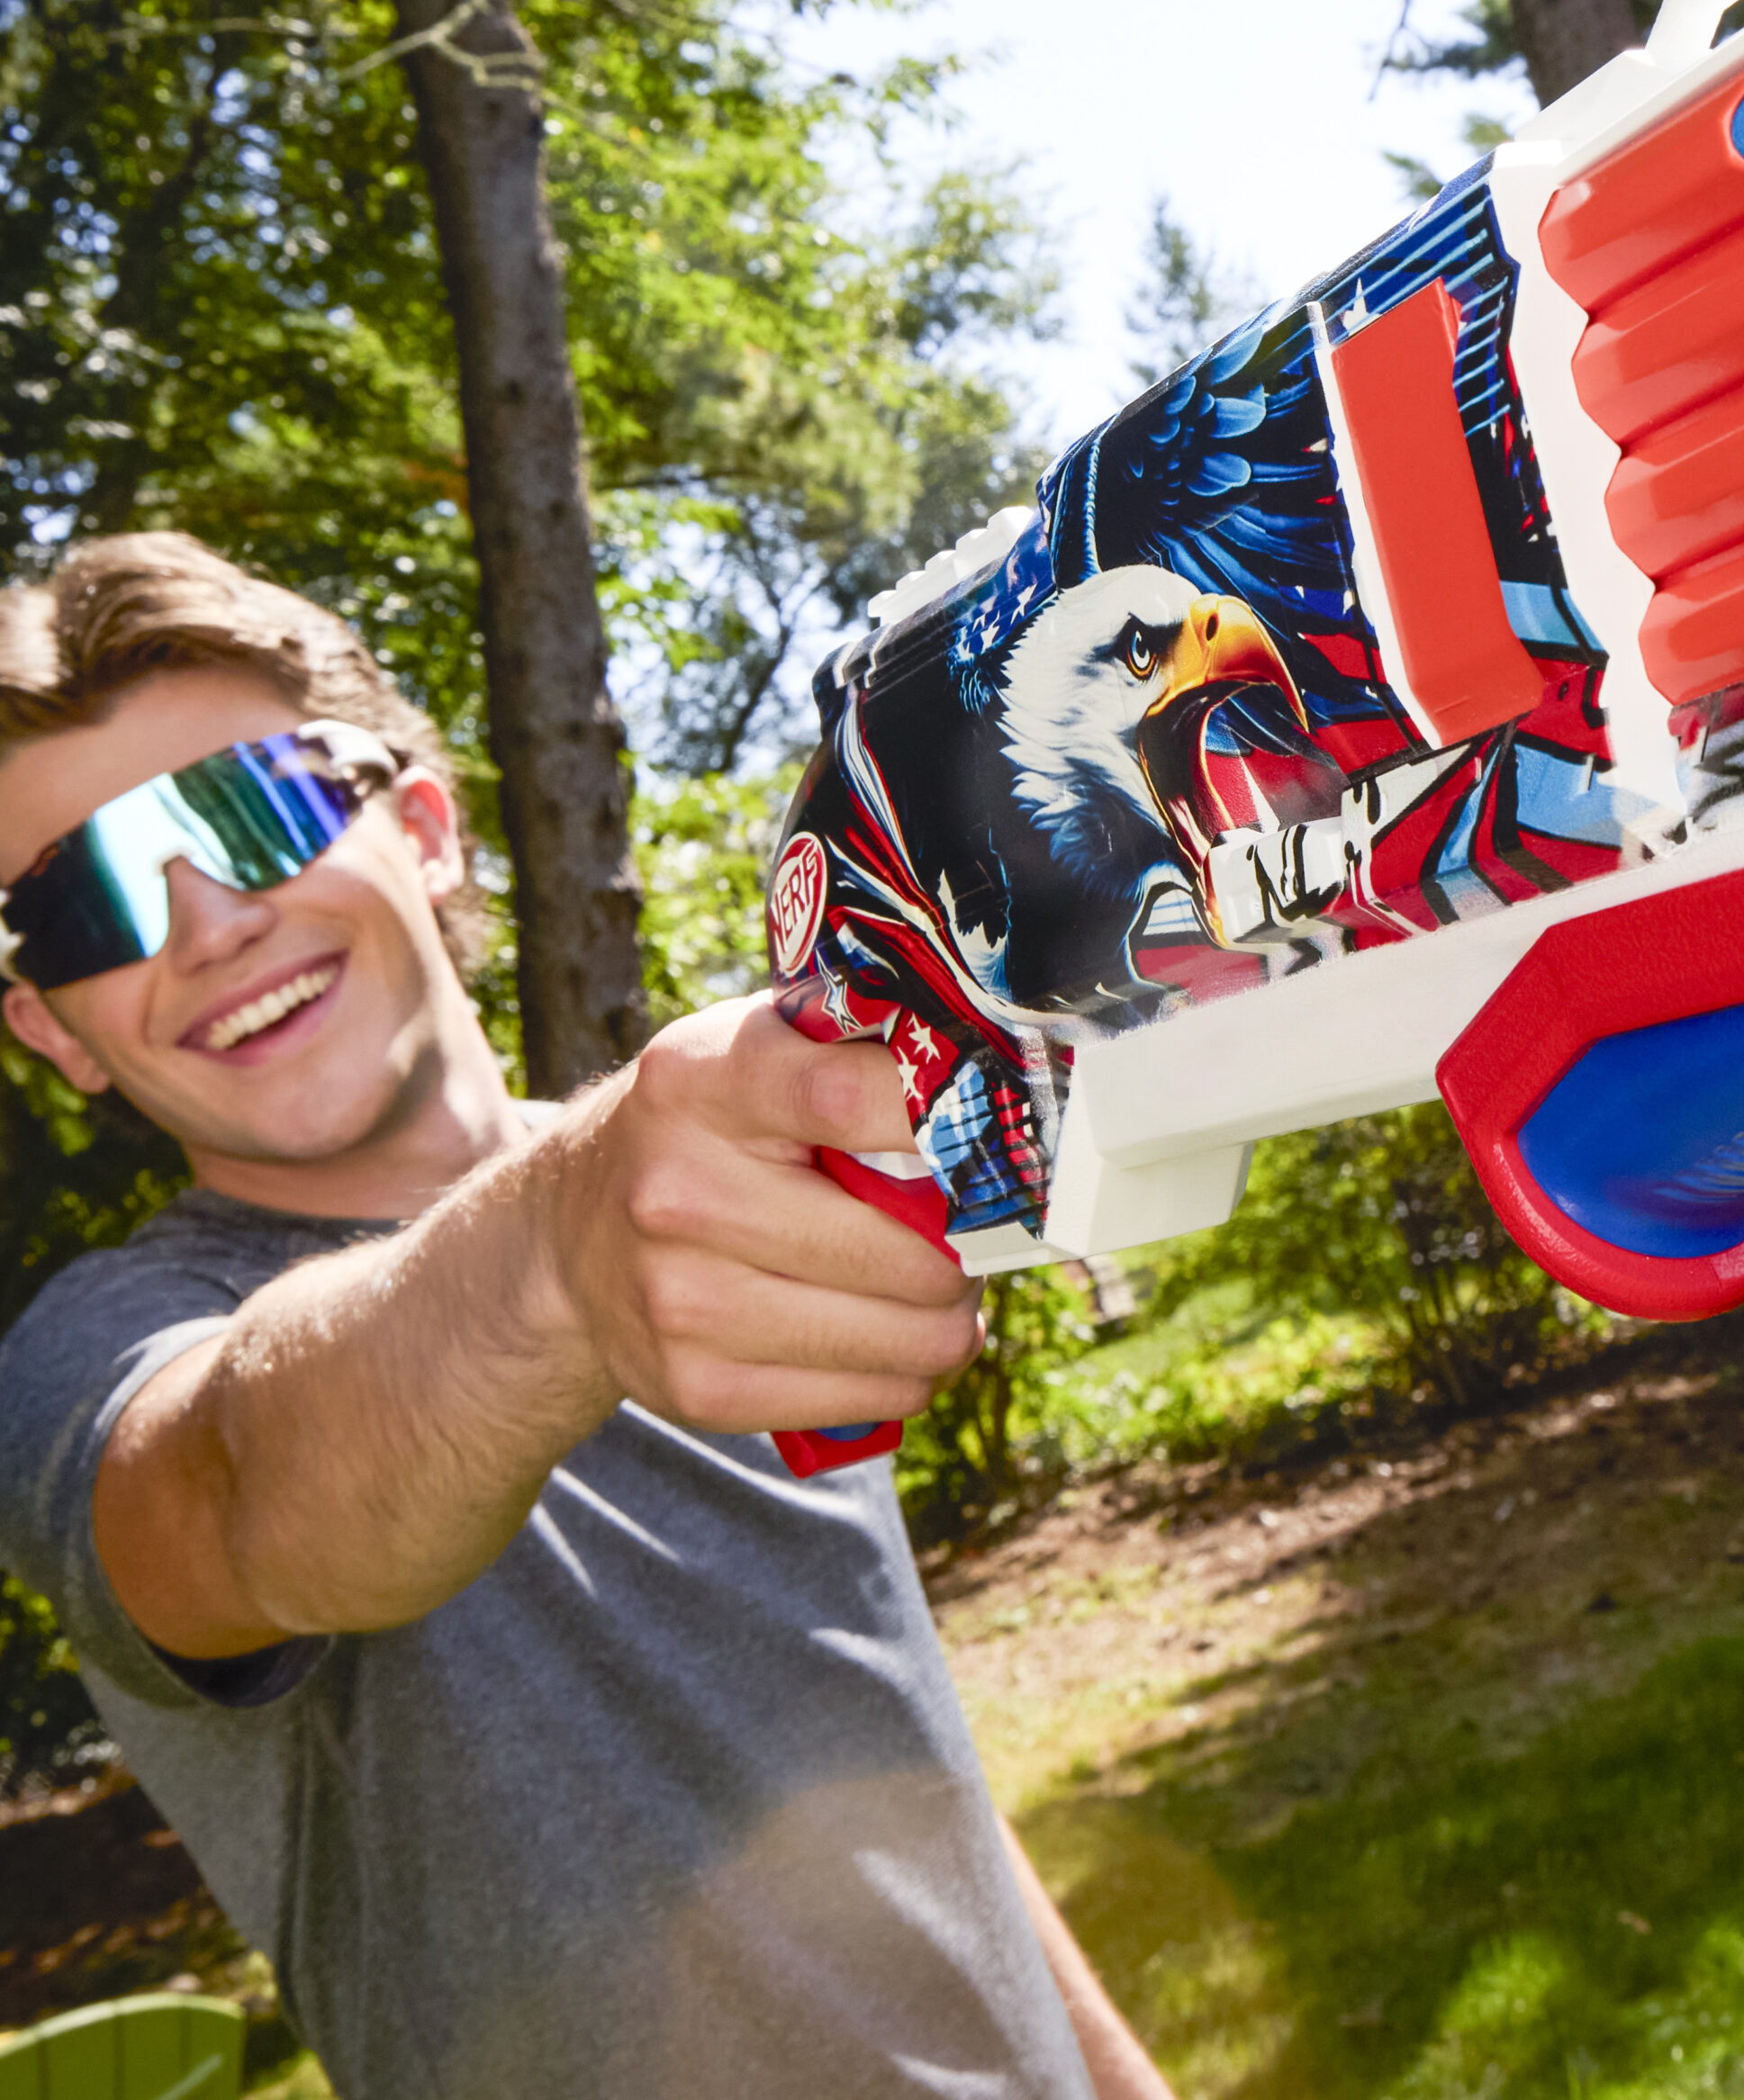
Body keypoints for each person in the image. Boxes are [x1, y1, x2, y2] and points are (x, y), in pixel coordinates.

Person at [0, 533, 1175, 2100]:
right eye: (87, 906)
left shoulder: (716, 1198)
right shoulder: (88, 1357)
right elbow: (227, 1491)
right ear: (52, 1030)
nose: (207, 923)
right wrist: (558, 1256)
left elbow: (889, 1732)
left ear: (423, 831)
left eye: (247, 811)